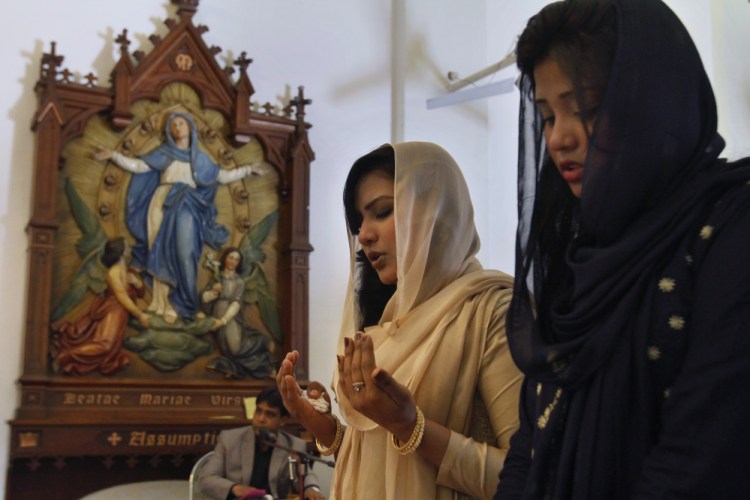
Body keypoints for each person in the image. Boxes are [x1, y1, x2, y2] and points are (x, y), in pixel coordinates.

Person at [495, 1, 750, 498]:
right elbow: (530, 444)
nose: (559, 138)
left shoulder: (727, 231)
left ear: (654, 101)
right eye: (547, 116)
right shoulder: (578, 254)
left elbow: (701, 457)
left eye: (586, 109)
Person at [278, 142, 522, 499]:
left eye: (382, 211)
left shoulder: (493, 311)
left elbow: (531, 476)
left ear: (437, 210)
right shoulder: (383, 325)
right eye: (359, 221)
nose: (364, 235)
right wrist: (328, 431)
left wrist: (412, 428)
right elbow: (382, 465)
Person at [94, 112, 264, 323]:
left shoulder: (200, 159)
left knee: (187, 254)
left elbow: (222, 176)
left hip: (188, 207)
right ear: (169, 130)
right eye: (173, 125)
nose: (177, 127)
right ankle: (163, 304)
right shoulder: (164, 153)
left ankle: (187, 305)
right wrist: (113, 156)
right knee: (160, 250)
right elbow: (139, 166)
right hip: (162, 204)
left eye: (181, 123)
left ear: (190, 127)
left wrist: (248, 169)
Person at [199, 387, 324, 500]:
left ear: (283, 420)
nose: (261, 419)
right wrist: (236, 488)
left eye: (270, 414)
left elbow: (306, 475)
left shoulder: (292, 445)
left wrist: (312, 489)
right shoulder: (230, 439)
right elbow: (206, 479)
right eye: (258, 411)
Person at [51, 237, 149, 375]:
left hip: (121, 313)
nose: (130, 249)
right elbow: (121, 295)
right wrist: (140, 315)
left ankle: (67, 356)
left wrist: (137, 283)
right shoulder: (113, 272)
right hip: (113, 310)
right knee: (105, 345)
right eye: (127, 247)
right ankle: (64, 356)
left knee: (110, 347)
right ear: (121, 252)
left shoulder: (127, 271)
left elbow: (140, 294)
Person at [202, 246, 274, 379]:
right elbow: (204, 298)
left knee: (234, 347)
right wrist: (213, 292)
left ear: (239, 263)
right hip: (216, 314)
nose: (233, 261)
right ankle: (234, 368)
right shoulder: (217, 278)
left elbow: (236, 303)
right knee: (227, 349)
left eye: (236, 259)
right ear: (225, 259)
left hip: (230, 317)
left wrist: (223, 320)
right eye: (231, 257)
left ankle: (261, 343)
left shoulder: (239, 282)